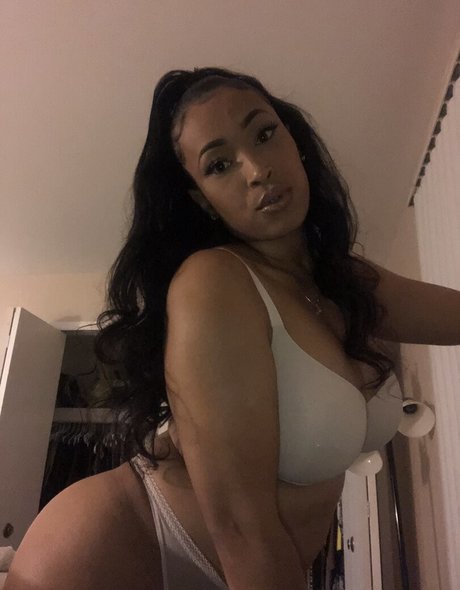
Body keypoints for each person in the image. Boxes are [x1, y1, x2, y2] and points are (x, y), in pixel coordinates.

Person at [6, 67, 460, 590]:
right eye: (219, 164)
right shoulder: (214, 282)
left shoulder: (338, 278)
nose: (258, 169)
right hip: (123, 556)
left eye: (265, 134)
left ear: (295, 141)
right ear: (203, 198)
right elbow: (244, 532)